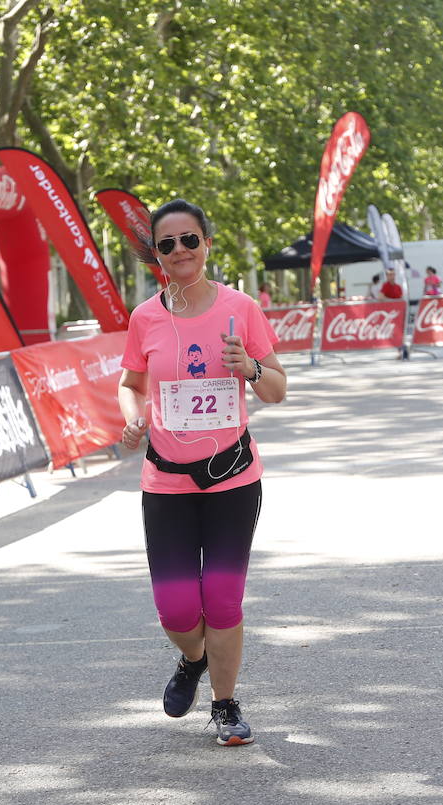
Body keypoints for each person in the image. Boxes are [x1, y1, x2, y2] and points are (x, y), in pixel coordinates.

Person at [119, 198, 286, 747]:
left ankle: (226, 704)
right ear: (157, 257)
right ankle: (192, 658)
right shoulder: (145, 317)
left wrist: (252, 367)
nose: (180, 251)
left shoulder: (240, 310)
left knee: (222, 599)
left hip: (232, 477)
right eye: (167, 245)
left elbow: (277, 390)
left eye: (189, 240)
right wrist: (134, 417)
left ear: (207, 244)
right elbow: (130, 384)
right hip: (166, 481)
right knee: (176, 609)